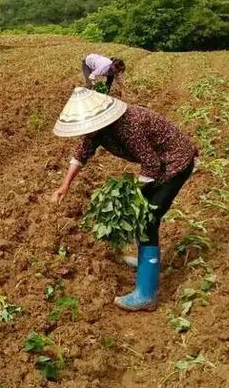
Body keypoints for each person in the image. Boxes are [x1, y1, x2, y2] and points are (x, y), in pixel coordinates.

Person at [51, 87, 198, 312]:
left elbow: (152, 164)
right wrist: (65, 185)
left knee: (148, 217)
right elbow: (82, 153)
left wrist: (132, 193)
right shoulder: (97, 129)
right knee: (143, 214)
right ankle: (144, 261)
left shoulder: (130, 125)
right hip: (160, 163)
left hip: (175, 162)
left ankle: (146, 295)